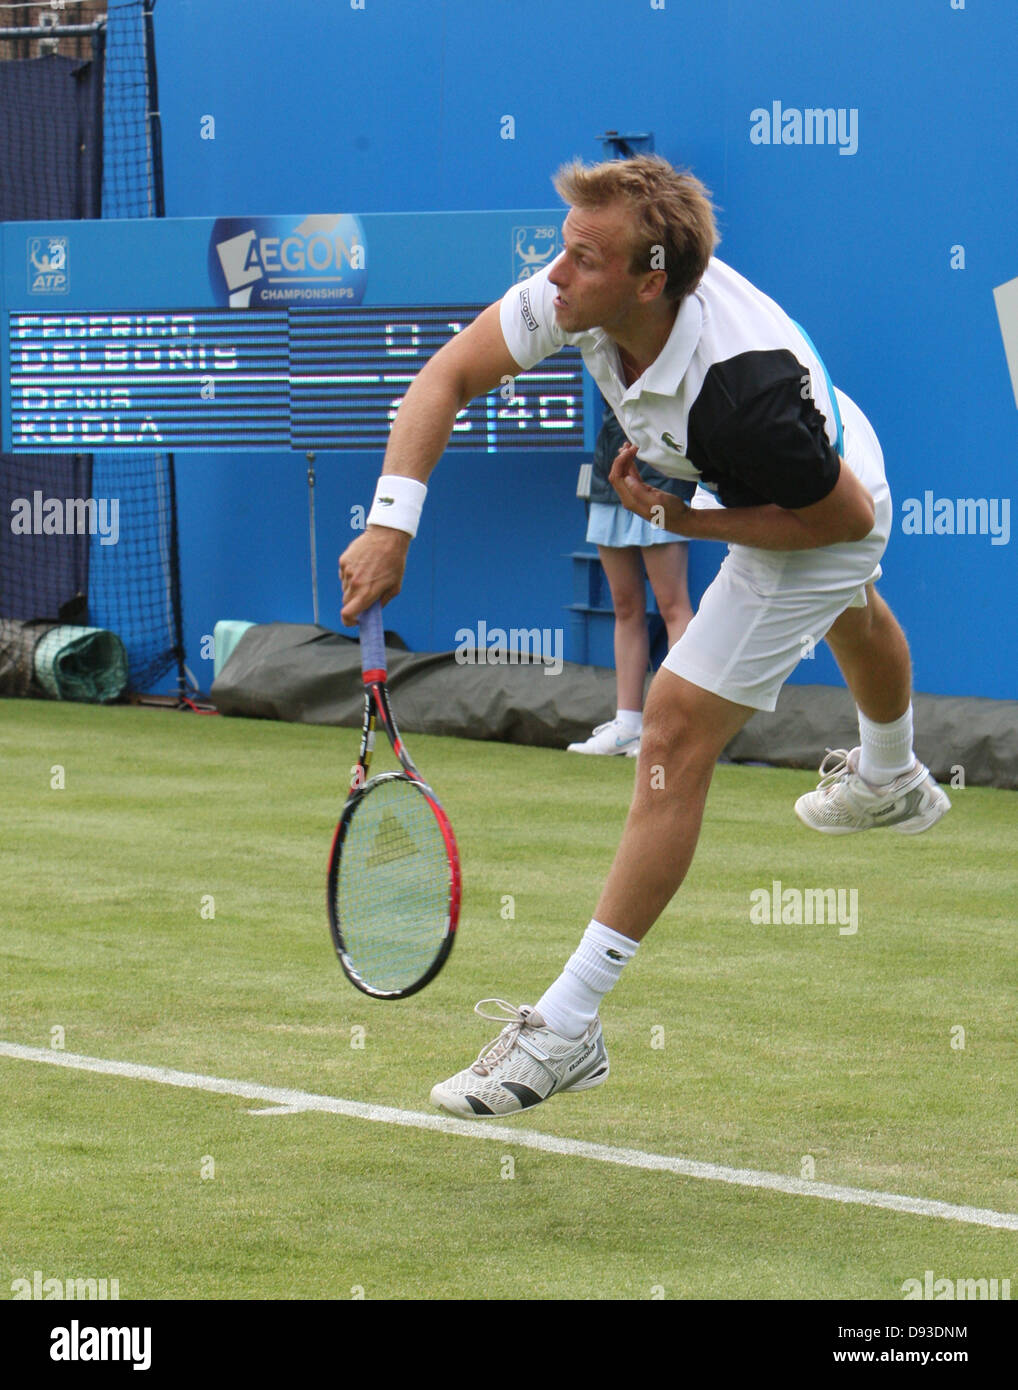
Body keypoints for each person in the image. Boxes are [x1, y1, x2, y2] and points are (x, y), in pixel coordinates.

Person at [338, 154, 950, 1120]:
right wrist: (389, 524)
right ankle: (892, 780)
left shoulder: (739, 393)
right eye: (561, 248)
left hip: (829, 501)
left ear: (649, 279)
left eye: (584, 259)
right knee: (854, 614)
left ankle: (567, 1029)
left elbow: (838, 524)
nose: (555, 273)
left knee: (669, 732)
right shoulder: (576, 295)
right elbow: (446, 377)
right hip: (817, 450)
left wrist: (685, 523)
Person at [566, 402, 694, 758]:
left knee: (673, 606)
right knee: (625, 607)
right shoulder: (605, 350)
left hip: (663, 476)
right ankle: (627, 725)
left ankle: (677, 727)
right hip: (610, 476)